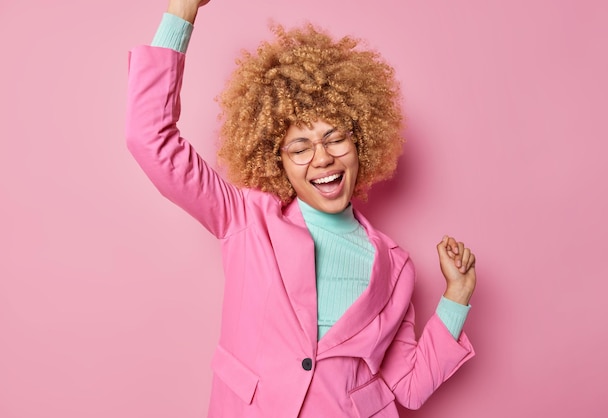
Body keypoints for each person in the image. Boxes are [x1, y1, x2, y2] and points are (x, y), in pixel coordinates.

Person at [126, 0, 477, 416]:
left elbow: (409, 386)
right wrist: (182, 9)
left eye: (334, 138)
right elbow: (149, 138)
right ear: (278, 162)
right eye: (300, 147)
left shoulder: (395, 268)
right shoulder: (245, 218)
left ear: (361, 140)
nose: (322, 158)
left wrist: (458, 295)